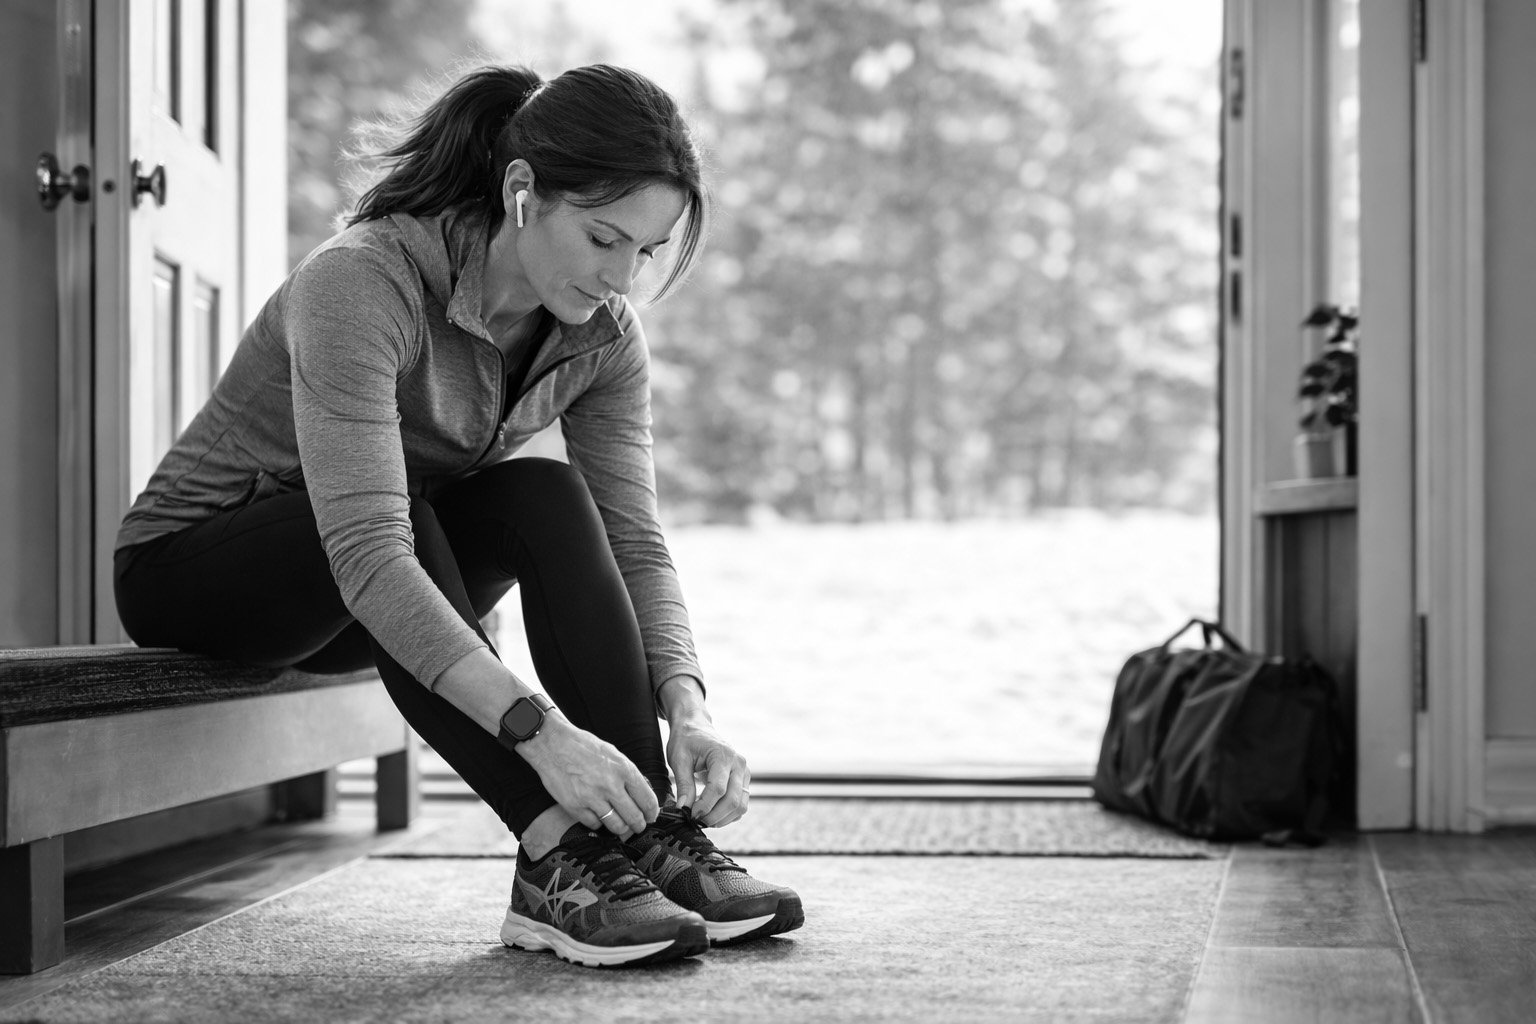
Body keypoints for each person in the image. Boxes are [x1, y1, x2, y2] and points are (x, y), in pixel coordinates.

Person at [113, 63, 801, 969]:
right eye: (603, 238)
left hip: (368, 581)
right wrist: (542, 733)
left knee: (542, 496)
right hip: (197, 572)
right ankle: (557, 852)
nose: (623, 276)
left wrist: (688, 706)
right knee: (403, 517)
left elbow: (634, 534)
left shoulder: (599, 335)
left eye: (647, 250)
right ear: (522, 193)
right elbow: (367, 551)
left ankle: (648, 832)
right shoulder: (364, 282)